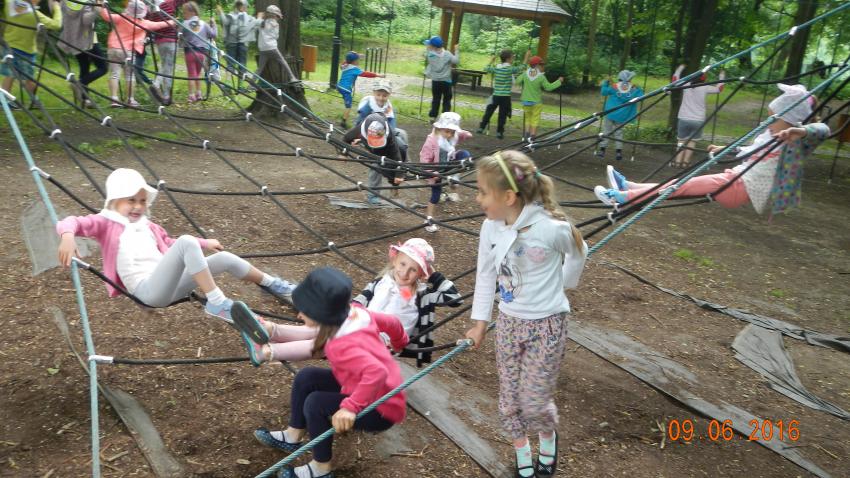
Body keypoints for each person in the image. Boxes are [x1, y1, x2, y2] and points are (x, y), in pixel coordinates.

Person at [55, 168, 297, 341]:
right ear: (115, 200)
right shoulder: (105, 223)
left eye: (142, 200)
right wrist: (67, 236)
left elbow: (171, 245)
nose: (138, 206)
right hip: (148, 292)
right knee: (186, 242)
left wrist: (205, 243)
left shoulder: (149, 226)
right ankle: (217, 302)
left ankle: (275, 285)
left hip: (170, 285)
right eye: (131, 200)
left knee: (223, 258)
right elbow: (72, 221)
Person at [465, 150, 587, 478]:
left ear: (508, 196)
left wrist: (565, 283)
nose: (477, 199)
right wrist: (480, 323)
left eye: (482, 192)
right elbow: (485, 275)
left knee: (534, 401)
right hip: (508, 324)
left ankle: (547, 438)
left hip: (547, 325)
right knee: (509, 399)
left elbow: (579, 249)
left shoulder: (549, 227)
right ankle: (521, 450)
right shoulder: (490, 228)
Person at [252, 267, 408, 478]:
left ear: (321, 314)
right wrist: (400, 342)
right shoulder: (357, 313)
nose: (299, 314)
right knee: (307, 377)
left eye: (304, 311)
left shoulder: (344, 345)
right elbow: (393, 323)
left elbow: (377, 372)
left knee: (316, 403)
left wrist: (350, 408)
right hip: (360, 383)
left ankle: (321, 468)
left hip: (381, 407)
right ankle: (293, 435)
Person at [595, 84, 829, 220]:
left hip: (738, 187)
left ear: (791, 121)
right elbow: (748, 150)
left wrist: (800, 131)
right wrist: (724, 149)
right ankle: (629, 187)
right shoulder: (771, 135)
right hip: (734, 180)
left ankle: (623, 199)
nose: (769, 122)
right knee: (678, 184)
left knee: (680, 186)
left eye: (774, 118)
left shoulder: (794, 142)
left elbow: (823, 131)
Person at [353, 238, 461, 366]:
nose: (405, 273)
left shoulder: (421, 295)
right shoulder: (382, 282)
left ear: (421, 274)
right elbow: (359, 301)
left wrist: (433, 274)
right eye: (403, 264)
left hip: (386, 344)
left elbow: (455, 299)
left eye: (413, 270)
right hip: (362, 331)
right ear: (395, 260)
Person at [100, 0, 173, 107]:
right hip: (128, 51)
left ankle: (114, 99)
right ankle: (130, 99)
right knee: (130, 75)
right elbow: (159, 25)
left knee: (114, 74)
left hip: (113, 48)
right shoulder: (144, 23)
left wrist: (103, 6)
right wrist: (172, 22)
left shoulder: (121, 17)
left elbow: (106, 16)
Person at [1, 0, 62, 109]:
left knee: (10, 75)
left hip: (9, 46)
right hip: (26, 50)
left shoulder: (9, 3)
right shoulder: (34, 14)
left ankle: (4, 101)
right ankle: (34, 100)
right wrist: (56, 7)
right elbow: (56, 25)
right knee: (29, 78)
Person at [419, 112, 472, 232]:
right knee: (435, 196)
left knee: (464, 154)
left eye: (452, 132)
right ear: (439, 128)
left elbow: (460, 135)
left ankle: (454, 177)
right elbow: (424, 160)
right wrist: (431, 173)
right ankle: (428, 220)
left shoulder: (452, 136)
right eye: (447, 131)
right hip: (436, 171)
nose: (450, 135)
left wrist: (466, 134)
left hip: (448, 164)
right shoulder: (432, 141)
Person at [343, 112, 407, 205]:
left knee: (401, 146)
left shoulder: (388, 133)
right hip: (373, 148)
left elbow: (396, 152)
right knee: (376, 165)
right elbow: (346, 138)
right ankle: (373, 195)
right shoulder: (360, 129)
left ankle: (397, 181)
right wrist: (344, 154)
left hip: (388, 145)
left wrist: (399, 173)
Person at [671, 63, 726, 168]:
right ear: (704, 79)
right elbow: (719, 89)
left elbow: (675, 81)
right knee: (692, 142)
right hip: (698, 119)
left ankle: (677, 162)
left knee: (681, 141)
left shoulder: (686, 85)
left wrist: (680, 69)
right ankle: (686, 163)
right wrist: (722, 75)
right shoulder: (705, 87)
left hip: (684, 118)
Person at [59, 0, 106, 108]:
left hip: (73, 39)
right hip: (87, 39)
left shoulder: (66, 2)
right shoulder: (86, 1)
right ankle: (79, 84)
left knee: (84, 67)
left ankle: (85, 100)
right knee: (103, 68)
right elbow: (85, 20)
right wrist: (97, 10)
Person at [147, 0, 190, 106]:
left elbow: (148, 21)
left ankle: (165, 95)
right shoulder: (169, 2)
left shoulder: (152, 8)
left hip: (159, 41)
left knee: (165, 65)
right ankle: (160, 89)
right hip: (170, 40)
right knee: (168, 68)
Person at [478, 49, 527, 139]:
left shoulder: (497, 68)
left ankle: (481, 127)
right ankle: (499, 132)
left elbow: (486, 69)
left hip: (495, 95)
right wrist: (526, 57)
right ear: (508, 59)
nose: (513, 59)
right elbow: (522, 67)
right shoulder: (510, 69)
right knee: (502, 115)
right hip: (505, 97)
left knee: (488, 112)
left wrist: (491, 60)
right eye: (512, 57)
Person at [597, 70, 644, 161]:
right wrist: (639, 88)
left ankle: (602, 151)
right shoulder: (633, 89)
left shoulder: (614, 87)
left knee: (606, 131)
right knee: (619, 133)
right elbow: (641, 96)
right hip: (622, 115)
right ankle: (618, 152)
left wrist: (606, 83)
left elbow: (603, 92)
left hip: (610, 113)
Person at [515, 55, 563, 142]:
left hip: (525, 101)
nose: (543, 67)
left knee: (528, 118)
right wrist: (559, 81)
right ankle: (532, 137)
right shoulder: (541, 76)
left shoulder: (525, 74)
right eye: (542, 65)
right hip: (536, 102)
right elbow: (548, 87)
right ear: (537, 65)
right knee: (535, 119)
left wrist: (523, 74)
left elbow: (517, 81)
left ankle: (526, 134)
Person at [216, 0, 259, 89]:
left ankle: (231, 85)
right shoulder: (247, 17)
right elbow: (256, 24)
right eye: (244, 6)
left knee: (233, 64)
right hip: (240, 43)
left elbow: (224, 22)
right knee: (240, 65)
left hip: (234, 43)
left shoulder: (232, 15)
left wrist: (221, 12)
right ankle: (237, 86)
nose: (244, 8)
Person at [179, 1, 216, 103]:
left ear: (192, 12)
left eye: (185, 12)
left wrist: (181, 42)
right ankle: (199, 93)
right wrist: (214, 25)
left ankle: (191, 95)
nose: (183, 15)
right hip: (201, 53)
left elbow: (179, 36)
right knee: (198, 74)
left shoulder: (184, 24)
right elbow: (213, 35)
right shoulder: (204, 24)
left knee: (191, 75)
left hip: (189, 53)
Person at [255, 5, 297, 92]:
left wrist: (259, 16)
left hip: (262, 48)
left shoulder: (261, 22)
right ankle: (292, 77)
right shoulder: (275, 24)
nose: (278, 18)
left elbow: (257, 22)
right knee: (283, 61)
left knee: (260, 68)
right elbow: (276, 36)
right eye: (277, 16)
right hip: (272, 47)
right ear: (274, 15)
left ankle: (251, 83)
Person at [337, 51, 383, 129]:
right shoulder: (354, 69)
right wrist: (377, 75)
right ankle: (343, 122)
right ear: (354, 61)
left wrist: (356, 55)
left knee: (347, 101)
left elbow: (344, 62)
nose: (359, 61)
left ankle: (344, 120)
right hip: (345, 89)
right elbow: (365, 74)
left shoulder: (344, 66)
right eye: (357, 60)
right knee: (348, 106)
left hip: (339, 86)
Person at [423, 35, 459, 121]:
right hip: (446, 81)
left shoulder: (430, 55)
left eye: (430, 44)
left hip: (436, 81)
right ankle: (445, 118)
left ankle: (433, 117)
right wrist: (457, 50)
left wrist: (428, 48)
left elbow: (427, 52)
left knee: (436, 99)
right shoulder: (447, 54)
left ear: (434, 47)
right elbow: (456, 61)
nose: (429, 46)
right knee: (447, 100)